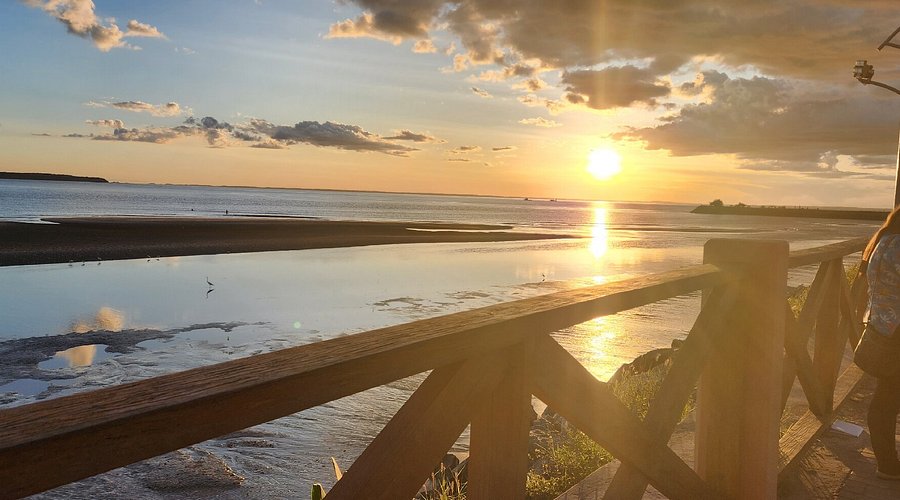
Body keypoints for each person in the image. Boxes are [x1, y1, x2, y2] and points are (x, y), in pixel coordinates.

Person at [863, 206, 900, 480]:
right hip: (896, 329)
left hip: (882, 326)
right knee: (887, 399)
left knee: (886, 397)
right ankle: (887, 464)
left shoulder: (882, 240)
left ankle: (886, 461)